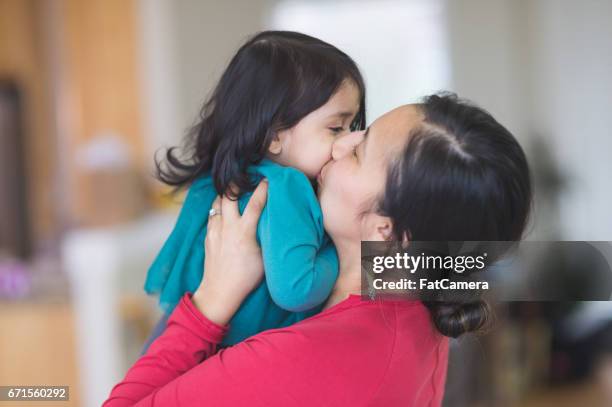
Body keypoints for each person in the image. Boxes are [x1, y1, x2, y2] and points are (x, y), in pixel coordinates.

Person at [105, 94, 532, 406]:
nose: (341, 144)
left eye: (360, 152)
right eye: (353, 130)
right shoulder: (420, 314)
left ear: (387, 228)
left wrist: (212, 300)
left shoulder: (312, 356)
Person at [144, 31, 366, 346]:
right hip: (230, 353)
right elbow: (298, 288)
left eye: (353, 126)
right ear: (273, 135)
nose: (349, 141)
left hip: (184, 337)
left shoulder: (225, 180)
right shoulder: (286, 186)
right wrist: (348, 253)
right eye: (336, 128)